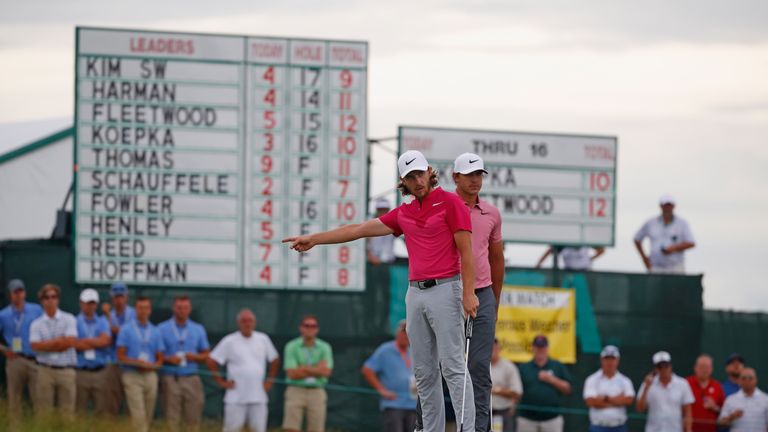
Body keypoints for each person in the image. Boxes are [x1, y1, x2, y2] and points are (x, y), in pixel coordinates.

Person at [283, 149, 479, 432]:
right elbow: (358, 229)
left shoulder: (451, 203)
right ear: (404, 182)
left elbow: (466, 252)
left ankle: (467, 429)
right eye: (410, 177)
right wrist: (314, 238)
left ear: (429, 173)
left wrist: (468, 293)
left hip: (446, 288)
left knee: (452, 367)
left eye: (420, 174)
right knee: (423, 372)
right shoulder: (404, 213)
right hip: (415, 293)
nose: (417, 181)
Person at [452, 152, 505, 432]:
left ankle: (478, 429)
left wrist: (494, 301)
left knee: (479, 370)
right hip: (448, 292)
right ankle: (426, 426)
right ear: (455, 178)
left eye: (478, 175)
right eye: (469, 174)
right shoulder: (443, 207)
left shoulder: (492, 214)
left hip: (482, 294)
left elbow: (496, 258)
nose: (475, 180)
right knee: (439, 367)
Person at [207, 308, 280, 432]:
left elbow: (274, 359)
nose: (247, 324)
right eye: (244, 321)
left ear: (254, 323)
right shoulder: (229, 340)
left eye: (250, 321)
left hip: (258, 397)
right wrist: (221, 382)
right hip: (235, 397)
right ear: (239, 323)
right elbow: (211, 360)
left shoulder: (263, 339)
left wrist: (270, 381)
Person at [158, 296, 211, 432]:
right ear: (173, 308)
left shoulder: (198, 329)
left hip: (191, 377)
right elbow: (156, 355)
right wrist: (169, 359)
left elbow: (206, 355)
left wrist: (194, 356)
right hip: (171, 377)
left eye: (185, 308)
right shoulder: (162, 328)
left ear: (190, 309)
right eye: (179, 308)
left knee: (193, 419)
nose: (182, 311)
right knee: (171, 419)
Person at [116, 296, 164, 432]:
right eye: (140, 308)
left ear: (150, 310)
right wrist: (136, 362)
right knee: (138, 414)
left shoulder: (155, 331)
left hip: (150, 375)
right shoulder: (126, 329)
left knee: (148, 413)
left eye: (146, 308)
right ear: (135, 309)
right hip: (132, 374)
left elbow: (160, 358)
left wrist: (153, 366)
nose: (143, 311)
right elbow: (120, 356)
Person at [29, 283, 78, 417]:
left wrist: (47, 344)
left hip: (66, 370)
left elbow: (71, 342)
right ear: (42, 301)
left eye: (53, 297)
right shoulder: (36, 323)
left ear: (58, 299)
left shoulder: (69, 318)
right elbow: (35, 346)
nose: (50, 300)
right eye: (47, 297)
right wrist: (58, 341)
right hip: (45, 370)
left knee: (67, 413)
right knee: (44, 413)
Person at [0, 278, 43, 424]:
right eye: (15, 292)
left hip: (34, 359)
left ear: (24, 293)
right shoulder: (3, 315)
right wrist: (4, 349)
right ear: (10, 295)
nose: (18, 295)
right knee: (14, 399)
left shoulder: (36, 310)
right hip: (15, 360)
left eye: (20, 291)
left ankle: (40, 427)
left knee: (39, 399)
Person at [362, 319, 417, 432]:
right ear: (397, 333)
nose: (406, 335)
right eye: (403, 332)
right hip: (394, 404)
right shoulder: (385, 350)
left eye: (409, 332)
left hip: (413, 405)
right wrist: (382, 390)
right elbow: (367, 369)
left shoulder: (414, 351)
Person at [282, 315, 334, 432]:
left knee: (316, 429)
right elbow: (292, 374)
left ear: (317, 329)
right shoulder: (291, 346)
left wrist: (304, 368)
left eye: (313, 326)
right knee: (291, 428)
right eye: (307, 325)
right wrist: (317, 369)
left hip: (317, 391)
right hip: (295, 390)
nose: (310, 328)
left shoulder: (325, 347)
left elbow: (326, 372)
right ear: (301, 328)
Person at [517, 335, 572, 432]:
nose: (540, 350)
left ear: (547, 348)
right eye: (538, 347)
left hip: (552, 420)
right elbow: (517, 391)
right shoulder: (524, 368)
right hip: (527, 419)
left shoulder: (557, 366)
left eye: (542, 347)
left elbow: (568, 389)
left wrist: (551, 379)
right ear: (533, 348)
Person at [633, 194, 696, 274]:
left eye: (669, 206)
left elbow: (691, 242)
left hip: (676, 268)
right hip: (656, 267)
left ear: (673, 206)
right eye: (665, 206)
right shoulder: (650, 223)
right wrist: (644, 258)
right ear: (660, 206)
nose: (667, 208)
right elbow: (637, 239)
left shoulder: (682, 223)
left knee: (676, 286)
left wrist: (674, 248)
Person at [74, 288, 112, 414]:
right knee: (79, 411)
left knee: (102, 411)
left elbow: (106, 341)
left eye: (93, 303)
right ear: (81, 303)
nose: (90, 306)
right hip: (81, 372)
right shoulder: (75, 321)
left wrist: (84, 341)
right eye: (87, 303)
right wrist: (97, 342)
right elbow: (74, 344)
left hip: (100, 372)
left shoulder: (103, 321)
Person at [636, 351, 694, 432]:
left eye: (666, 365)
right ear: (655, 369)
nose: (663, 369)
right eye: (660, 366)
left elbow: (687, 411)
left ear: (670, 366)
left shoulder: (682, 384)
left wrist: (688, 430)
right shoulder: (647, 383)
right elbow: (640, 408)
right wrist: (646, 388)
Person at [102, 281, 135, 417]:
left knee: (131, 403)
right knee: (111, 401)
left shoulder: (133, 313)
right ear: (112, 298)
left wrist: (109, 318)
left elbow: (128, 334)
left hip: (130, 362)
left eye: (121, 296)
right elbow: (107, 336)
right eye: (116, 297)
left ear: (126, 297)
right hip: (113, 361)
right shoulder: (108, 315)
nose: (119, 300)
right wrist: (108, 318)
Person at [583, 345, 635, 432]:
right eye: (607, 358)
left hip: (619, 427)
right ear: (601, 360)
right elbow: (590, 401)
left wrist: (605, 398)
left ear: (618, 360)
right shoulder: (592, 379)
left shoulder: (625, 380)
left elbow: (629, 400)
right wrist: (618, 401)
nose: (609, 362)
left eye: (612, 358)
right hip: (598, 426)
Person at [490, 339, 522, 432]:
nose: (492, 350)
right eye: (490, 347)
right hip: (484, 413)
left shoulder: (509, 367)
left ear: (499, 349)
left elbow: (517, 392)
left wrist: (497, 390)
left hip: (502, 412)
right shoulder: (482, 366)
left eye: (494, 348)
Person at [686, 354, 725, 432]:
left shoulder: (717, 386)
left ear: (711, 369)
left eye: (707, 367)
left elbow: (724, 411)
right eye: (701, 367)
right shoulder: (686, 383)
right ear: (695, 368)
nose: (704, 370)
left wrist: (715, 407)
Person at [367, 197, 396, 265]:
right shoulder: (370, 224)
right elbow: (365, 243)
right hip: (372, 262)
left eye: (385, 209)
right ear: (377, 210)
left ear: (388, 209)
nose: (383, 211)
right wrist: (371, 256)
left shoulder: (394, 223)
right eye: (380, 209)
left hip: (389, 261)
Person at [536, 246, 605, 271]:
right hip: (569, 273)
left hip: (585, 272)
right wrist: (539, 264)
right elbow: (549, 251)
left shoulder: (585, 240)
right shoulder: (563, 244)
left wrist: (591, 259)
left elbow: (601, 250)